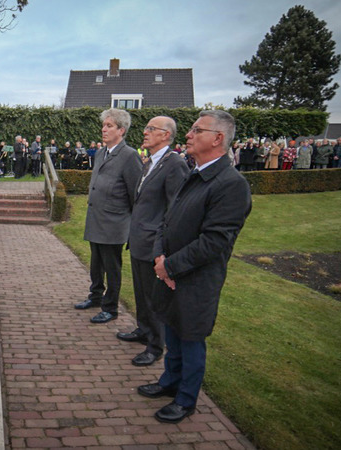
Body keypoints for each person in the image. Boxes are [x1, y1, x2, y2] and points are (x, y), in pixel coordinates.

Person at [138, 110, 251, 424]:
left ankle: (186, 400)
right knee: (173, 331)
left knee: (190, 339)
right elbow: (168, 221)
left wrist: (170, 266)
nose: (187, 135)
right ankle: (169, 382)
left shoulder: (231, 184)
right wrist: (161, 258)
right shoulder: (194, 172)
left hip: (195, 279)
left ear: (217, 139)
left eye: (196, 130)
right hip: (171, 272)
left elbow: (215, 242)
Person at [117, 116, 189, 367]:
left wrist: (164, 248)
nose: (145, 133)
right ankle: (143, 329)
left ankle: (156, 345)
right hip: (138, 240)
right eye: (146, 128)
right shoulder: (149, 162)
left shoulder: (174, 165)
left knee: (155, 298)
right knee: (141, 292)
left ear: (166, 135)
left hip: (154, 244)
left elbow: (175, 210)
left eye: (151, 129)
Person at [74, 108, 142, 323]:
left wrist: (130, 224)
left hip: (114, 222)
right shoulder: (102, 152)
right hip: (96, 218)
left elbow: (135, 194)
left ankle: (110, 308)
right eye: (104, 125)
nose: (104, 129)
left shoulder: (130, 156)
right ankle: (95, 296)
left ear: (121, 130)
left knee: (112, 267)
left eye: (109, 126)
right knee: (96, 263)